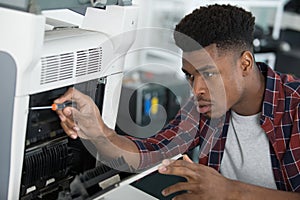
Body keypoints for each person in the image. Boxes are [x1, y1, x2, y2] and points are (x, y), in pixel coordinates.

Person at [54, 4, 300, 199]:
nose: (197, 89)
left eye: (210, 73)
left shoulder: (296, 107)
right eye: (190, 75)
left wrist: (230, 192)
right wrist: (98, 132)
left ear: (245, 64)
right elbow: (149, 154)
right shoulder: (204, 106)